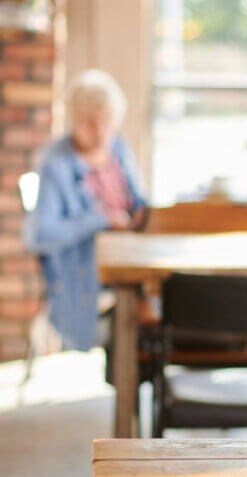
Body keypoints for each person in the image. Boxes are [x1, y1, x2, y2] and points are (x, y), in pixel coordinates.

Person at [23, 69, 147, 351]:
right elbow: (39, 235)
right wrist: (100, 220)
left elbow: (139, 200)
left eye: (108, 122)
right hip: (82, 278)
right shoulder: (55, 163)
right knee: (137, 317)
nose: (101, 131)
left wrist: (140, 213)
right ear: (75, 120)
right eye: (92, 123)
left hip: (130, 263)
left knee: (173, 300)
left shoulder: (117, 148)